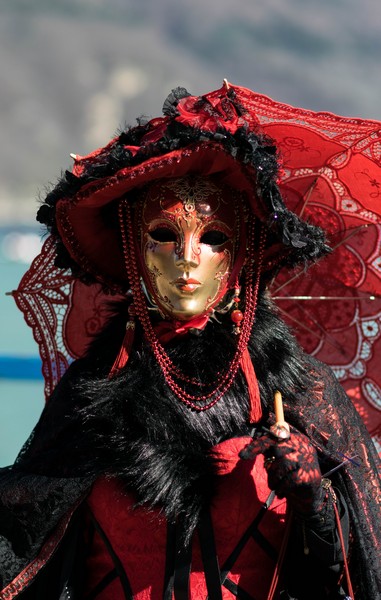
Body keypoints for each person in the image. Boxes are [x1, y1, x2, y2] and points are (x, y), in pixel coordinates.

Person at [0, 82, 380, 600]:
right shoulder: (91, 392)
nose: (187, 257)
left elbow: (340, 577)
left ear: (239, 254)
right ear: (135, 249)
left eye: (212, 238)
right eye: (164, 235)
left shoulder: (297, 393)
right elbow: (25, 544)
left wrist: (313, 493)